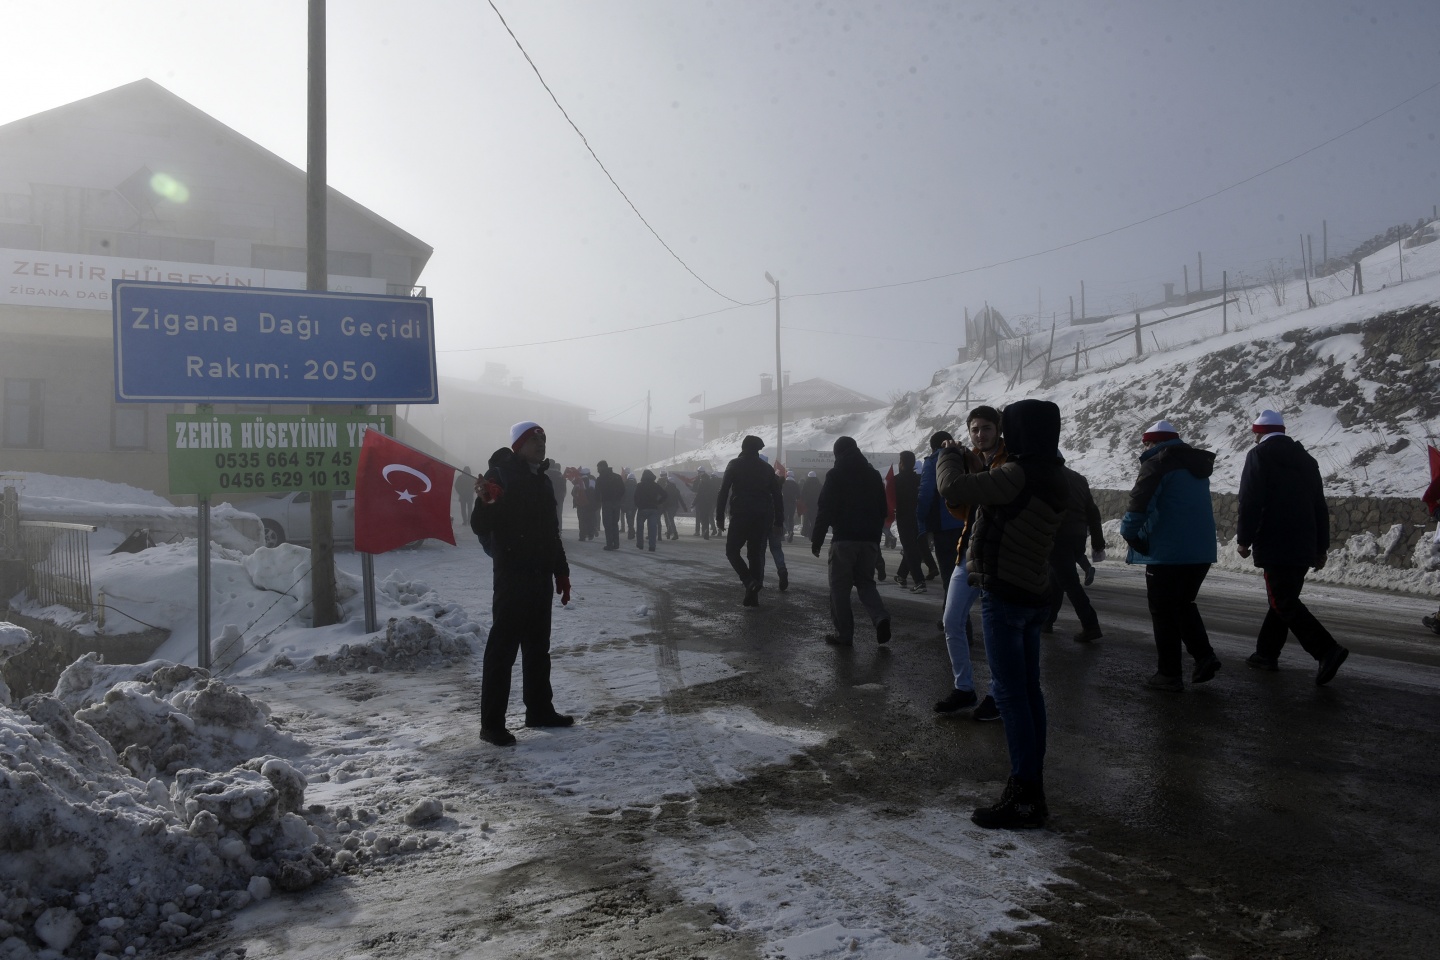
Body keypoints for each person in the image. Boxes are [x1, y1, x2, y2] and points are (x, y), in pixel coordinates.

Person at [936, 399, 1067, 828]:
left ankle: (1024, 794)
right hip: (1032, 594)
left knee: (1011, 695)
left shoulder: (1015, 474)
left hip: (1004, 596)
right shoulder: (1058, 474)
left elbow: (953, 491)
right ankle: (1033, 788)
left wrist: (949, 455)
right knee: (1028, 693)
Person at [469, 421, 573, 747]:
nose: (541, 444)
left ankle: (539, 710)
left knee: (537, 649)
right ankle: (492, 724)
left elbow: (551, 532)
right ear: (518, 444)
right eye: (534, 439)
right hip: (513, 575)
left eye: (543, 438)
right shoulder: (500, 476)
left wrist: (561, 571)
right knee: (503, 651)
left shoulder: (541, 481)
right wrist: (488, 500)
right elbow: (479, 524)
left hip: (540, 575)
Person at [1237, 410, 1349, 685]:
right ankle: (1266, 654)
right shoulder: (1307, 459)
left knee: (1282, 601)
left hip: (1274, 541)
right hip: (1304, 542)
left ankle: (1326, 650)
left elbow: (1250, 500)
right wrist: (1321, 547)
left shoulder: (1259, 456)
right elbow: (1319, 506)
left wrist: (1244, 538)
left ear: (1258, 433)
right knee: (1282, 599)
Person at [1120, 419, 1221, 692]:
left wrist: (1129, 533)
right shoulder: (1195, 465)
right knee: (1182, 604)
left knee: (1163, 610)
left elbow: (1139, 503)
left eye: (1147, 443)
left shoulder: (1158, 463)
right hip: (1200, 552)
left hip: (1168, 552)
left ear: (1152, 442)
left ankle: (1168, 674)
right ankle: (1204, 657)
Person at [935, 407, 1008, 720]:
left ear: (998, 429)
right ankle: (964, 688)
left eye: (986, 428)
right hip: (968, 552)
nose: (981, 435)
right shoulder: (970, 458)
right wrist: (954, 500)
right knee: (952, 621)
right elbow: (965, 511)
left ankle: (997, 694)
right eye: (975, 429)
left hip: (999, 556)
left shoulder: (1010, 460)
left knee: (996, 630)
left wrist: (975, 473)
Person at [811, 436, 891, 645]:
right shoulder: (873, 475)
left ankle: (844, 635)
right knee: (866, 584)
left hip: (844, 539)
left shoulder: (836, 474)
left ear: (838, 453)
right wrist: (874, 535)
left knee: (840, 588)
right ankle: (880, 617)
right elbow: (883, 509)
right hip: (869, 540)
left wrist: (817, 539)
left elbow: (825, 508)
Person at [717, 435, 783, 606]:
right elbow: (777, 496)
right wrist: (779, 521)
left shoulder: (734, 464)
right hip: (762, 516)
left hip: (741, 515)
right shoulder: (767, 468)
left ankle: (748, 581)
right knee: (755, 555)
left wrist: (719, 516)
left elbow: (723, 491)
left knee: (732, 551)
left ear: (743, 447)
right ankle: (752, 596)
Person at [1043, 462, 1105, 643]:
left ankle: (1091, 625)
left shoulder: (1046, 476)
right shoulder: (1078, 478)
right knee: (1056, 580)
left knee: (1069, 583)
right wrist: (1097, 541)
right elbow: (1092, 511)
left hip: (1058, 536)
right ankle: (1047, 622)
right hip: (1077, 536)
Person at [892, 450, 932, 592]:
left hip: (904, 518)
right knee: (915, 547)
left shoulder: (896, 480)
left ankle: (919, 581)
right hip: (919, 517)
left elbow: (891, 501)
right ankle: (901, 575)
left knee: (909, 549)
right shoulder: (919, 479)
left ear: (902, 463)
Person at [633, 468, 666, 552]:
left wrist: (638, 505)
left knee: (640, 528)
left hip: (642, 509)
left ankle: (640, 544)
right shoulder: (655, 485)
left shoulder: (640, 485)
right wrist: (658, 502)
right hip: (653, 508)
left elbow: (635, 497)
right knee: (652, 528)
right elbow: (665, 495)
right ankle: (652, 546)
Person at [595, 460, 625, 550]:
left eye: (598, 468)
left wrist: (598, 502)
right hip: (616, 503)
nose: (597, 470)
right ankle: (616, 543)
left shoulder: (600, 479)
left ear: (602, 467)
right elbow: (623, 490)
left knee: (607, 524)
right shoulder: (617, 477)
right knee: (614, 523)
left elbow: (597, 492)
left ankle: (609, 544)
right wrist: (618, 498)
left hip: (606, 503)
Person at [659, 471, 686, 540]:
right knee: (670, 520)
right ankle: (668, 533)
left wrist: (660, 505)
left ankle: (675, 534)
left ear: (668, 482)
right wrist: (684, 507)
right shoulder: (676, 490)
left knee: (670, 520)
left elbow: (663, 499)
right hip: (675, 507)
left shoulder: (666, 489)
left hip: (668, 507)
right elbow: (680, 499)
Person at [692, 467, 715, 538]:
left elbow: (698, 493)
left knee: (700, 517)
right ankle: (705, 531)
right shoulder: (710, 481)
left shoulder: (700, 481)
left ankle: (700, 531)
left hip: (701, 502)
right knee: (706, 518)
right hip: (708, 503)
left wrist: (693, 503)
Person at [799, 471, 822, 539]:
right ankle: (813, 533)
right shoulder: (819, 484)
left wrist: (803, 501)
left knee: (806, 519)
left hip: (807, 505)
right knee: (814, 520)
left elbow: (802, 494)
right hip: (816, 505)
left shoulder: (806, 484)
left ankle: (806, 532)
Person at [781, 468, 800, 542]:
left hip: (784, 502)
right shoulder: (796, 484)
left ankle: (787, 531)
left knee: (784, 518)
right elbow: (799, 495)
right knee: (791, 518)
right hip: (792, 503)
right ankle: (791, 531)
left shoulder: (783, 483)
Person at [622, 468, 637, 540]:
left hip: (627, 505)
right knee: (632, 518)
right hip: (635, 505)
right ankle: (631, 531)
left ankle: (631, 531)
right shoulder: (636, 486)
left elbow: (622, 496)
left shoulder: (625, 486)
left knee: (629, 519)